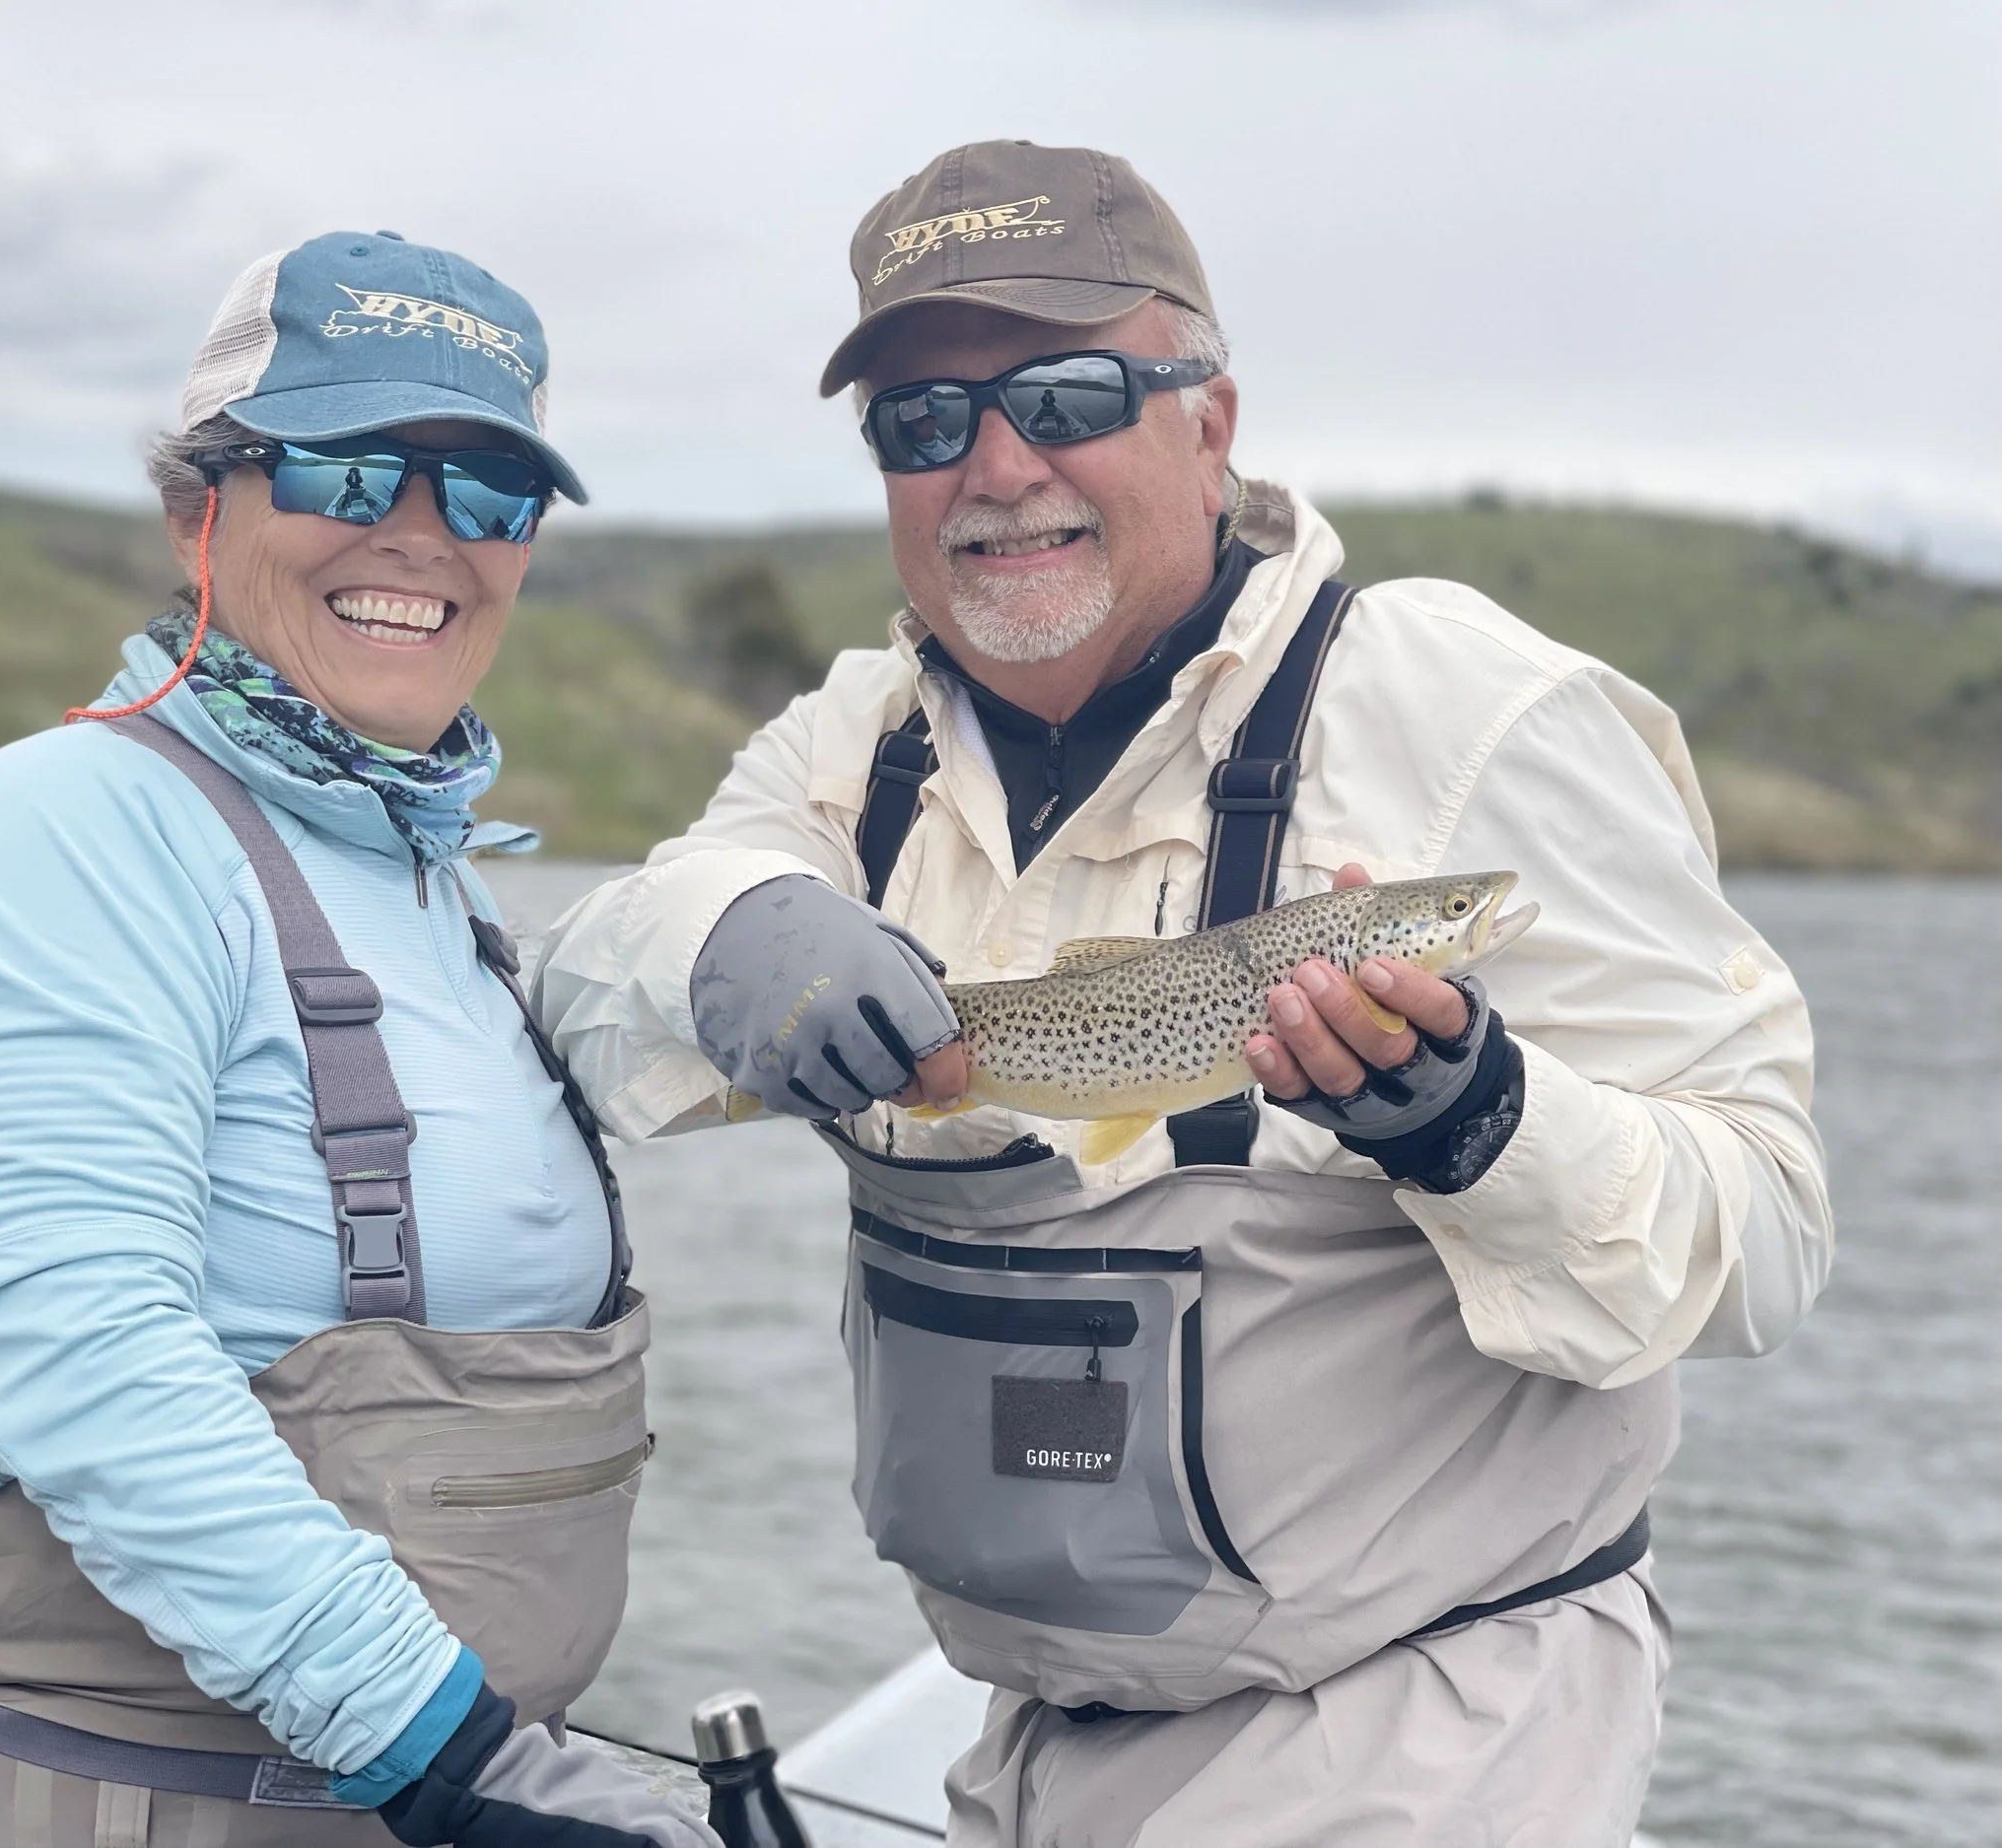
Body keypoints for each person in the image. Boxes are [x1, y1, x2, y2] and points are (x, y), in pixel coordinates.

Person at [531, 143, 1833, 1845]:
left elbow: (1772, 1238)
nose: (997, 465)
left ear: (1210, 421)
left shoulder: (1471, 714)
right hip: (1034, 1740)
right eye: (923, 423)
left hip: (1423, 1726)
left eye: (1064, 395)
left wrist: (1482, 1121)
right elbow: (588, 981)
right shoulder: (862, 745)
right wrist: (729, 933)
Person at [0, 231, 715, 1848]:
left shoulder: (418, 874)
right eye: (350, 469)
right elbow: (86, 1364)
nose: (423, 537)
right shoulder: (64, 829)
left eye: (489, 494)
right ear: (197, 507)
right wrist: (457, 1759)